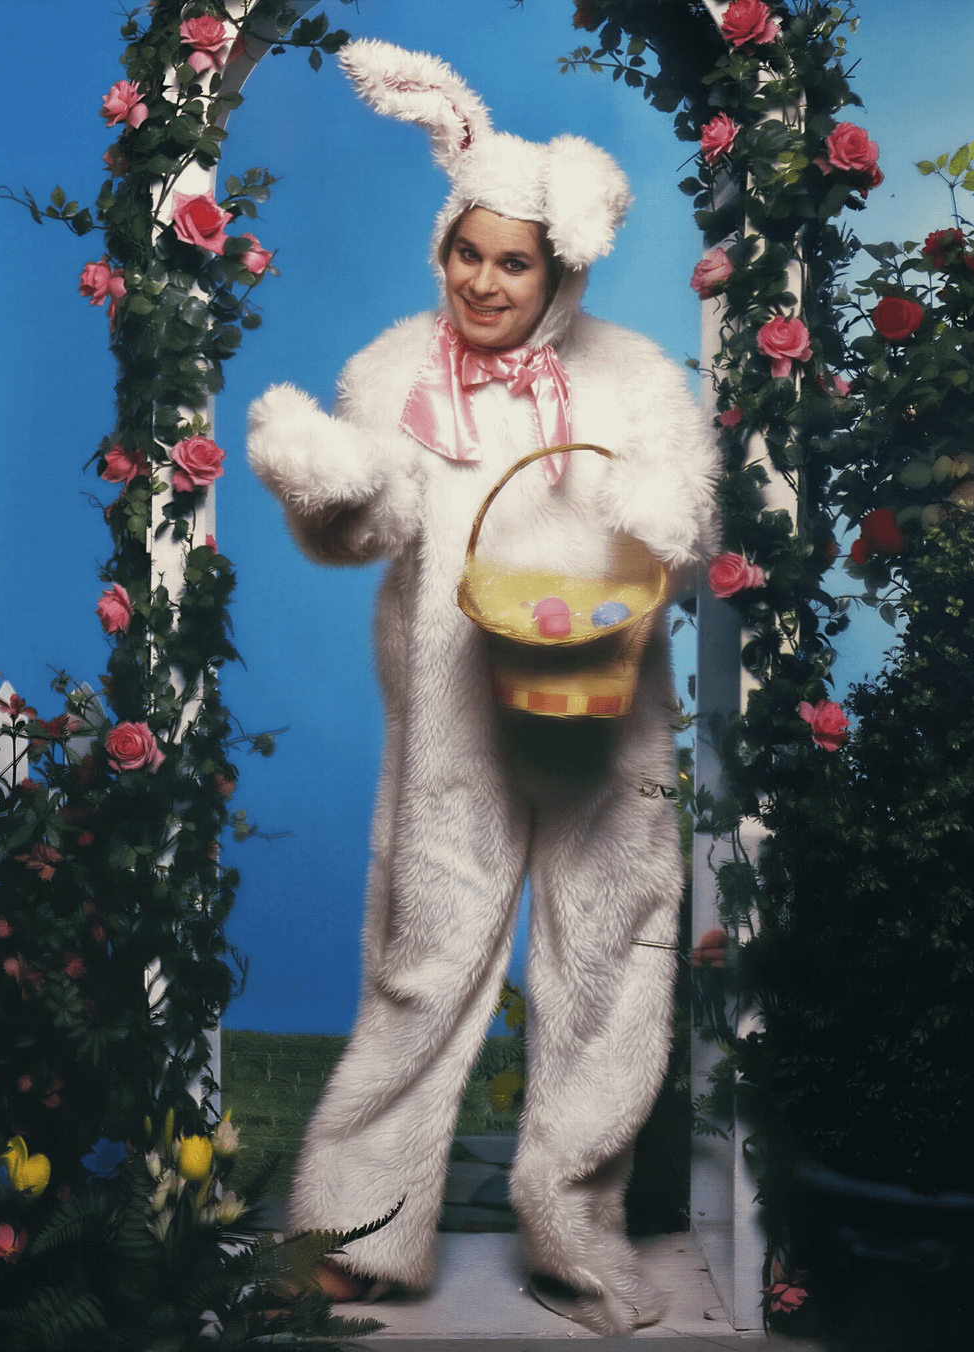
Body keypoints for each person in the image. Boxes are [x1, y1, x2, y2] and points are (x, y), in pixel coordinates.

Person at [247, 38, 718, 1337]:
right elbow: (367, 530)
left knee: (608, 964)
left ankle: (574, 1231)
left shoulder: (630, 376)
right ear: (441, 247)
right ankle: (359, 1229)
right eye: (468, 253)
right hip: (455, 717)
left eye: (514, 263)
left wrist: (655, 511)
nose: (484, 282)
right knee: (424, 960)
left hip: (606, 718)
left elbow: (680, 525)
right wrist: (330, 479)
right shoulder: (395, 368)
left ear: (560, 271)